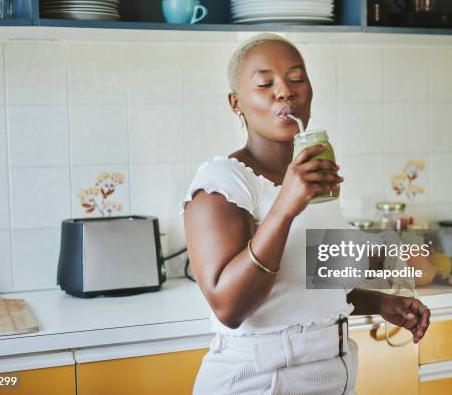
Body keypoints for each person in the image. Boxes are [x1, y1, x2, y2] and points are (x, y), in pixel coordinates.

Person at [182, 33, 431, 395]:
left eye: (297, 79)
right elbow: (229, 307)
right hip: (259, 382)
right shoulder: (222, 182)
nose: (285, 92)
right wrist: (285, 205)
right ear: (236, 103)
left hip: (334, 374)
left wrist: (380, 302)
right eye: (265, 83)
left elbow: (306, 284)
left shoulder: (315, 180)